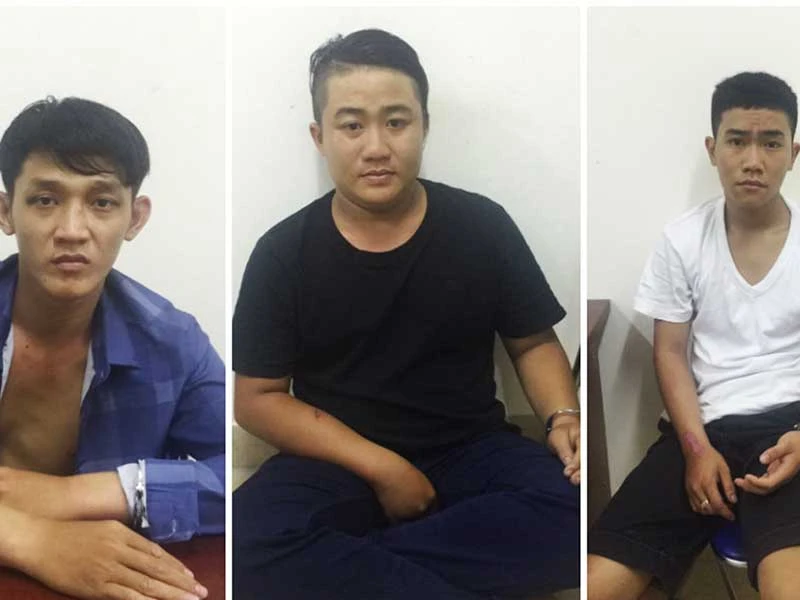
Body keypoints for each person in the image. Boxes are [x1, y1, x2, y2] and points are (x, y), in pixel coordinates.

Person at [233, 28, 580, 600]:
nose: (376, 146)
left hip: (471, 447)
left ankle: (352, 567)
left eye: (396, 122)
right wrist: (383, 468)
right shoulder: (282, 252)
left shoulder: (482, 225)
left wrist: (562, 416)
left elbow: (532, 341)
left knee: (573, 514)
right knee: (244, 544)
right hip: (336, 459)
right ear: (319, 137)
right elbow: (257, 398)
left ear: (424, 125)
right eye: (352, 126)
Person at [0, 97, 225, 600]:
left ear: (135, 218)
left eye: (101, 202)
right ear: (6, 211)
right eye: (45, 200)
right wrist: (32, 539)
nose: (71, 230)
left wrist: (88, 493)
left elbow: (233, 472)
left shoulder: (173, 342)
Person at [588, 71, 800, 600]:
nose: (753, 160)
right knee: (597, 584)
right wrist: (696, 448)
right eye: (737, 141)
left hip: (792, 428)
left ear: (793, 154)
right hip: (704, 429)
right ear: (713, 149)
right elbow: (671, 353)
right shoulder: (683, 240)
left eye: (771, 143)